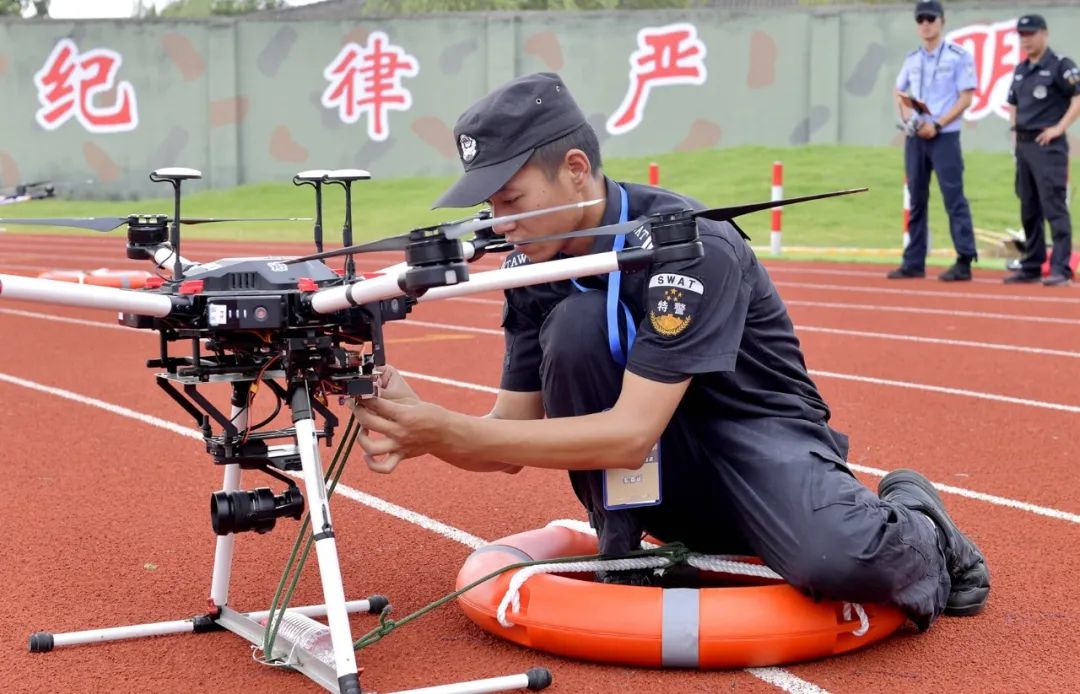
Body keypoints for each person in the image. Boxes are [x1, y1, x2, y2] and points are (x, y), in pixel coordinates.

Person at [352, 72, 990, 630]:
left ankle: (919, 518)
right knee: (578, 325)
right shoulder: (533, 270)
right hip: (662, 464)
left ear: (575, 168)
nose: (500, 221)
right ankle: (623, 547)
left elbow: (629, 434)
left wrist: (442, 431)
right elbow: (506, 440)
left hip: (757, 436)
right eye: (490, 205)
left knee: (837, 560)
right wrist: (420, 421)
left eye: (511, 199)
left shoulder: (690, 247)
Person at [890, 0, 979, 281]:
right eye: (921, 20)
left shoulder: (958, 56)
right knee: (916, 197)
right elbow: (899, 92)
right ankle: (913, 261)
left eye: (931, 18)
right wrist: (910, 120)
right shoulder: (912, 59)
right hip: (917, 137)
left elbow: (966, 98)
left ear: (942, 21)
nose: (926, 24)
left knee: (953, 197)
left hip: (945, 136)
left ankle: (964, 259)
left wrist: (938, 124)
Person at [1004, 13, 1080, 287]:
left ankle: (1060, 267)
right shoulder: (1021, 69)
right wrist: (1014, 133)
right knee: (1029, 208)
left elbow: (1078, 97)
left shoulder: (1060, 65)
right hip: (1024, 146)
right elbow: (1013, 102)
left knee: (1054, 206)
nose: (1026, 40)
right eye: (1022, 35)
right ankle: (1032, 264)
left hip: (1047, 146)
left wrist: (1060, 128)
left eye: (1031, 34)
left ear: (1044, 34)